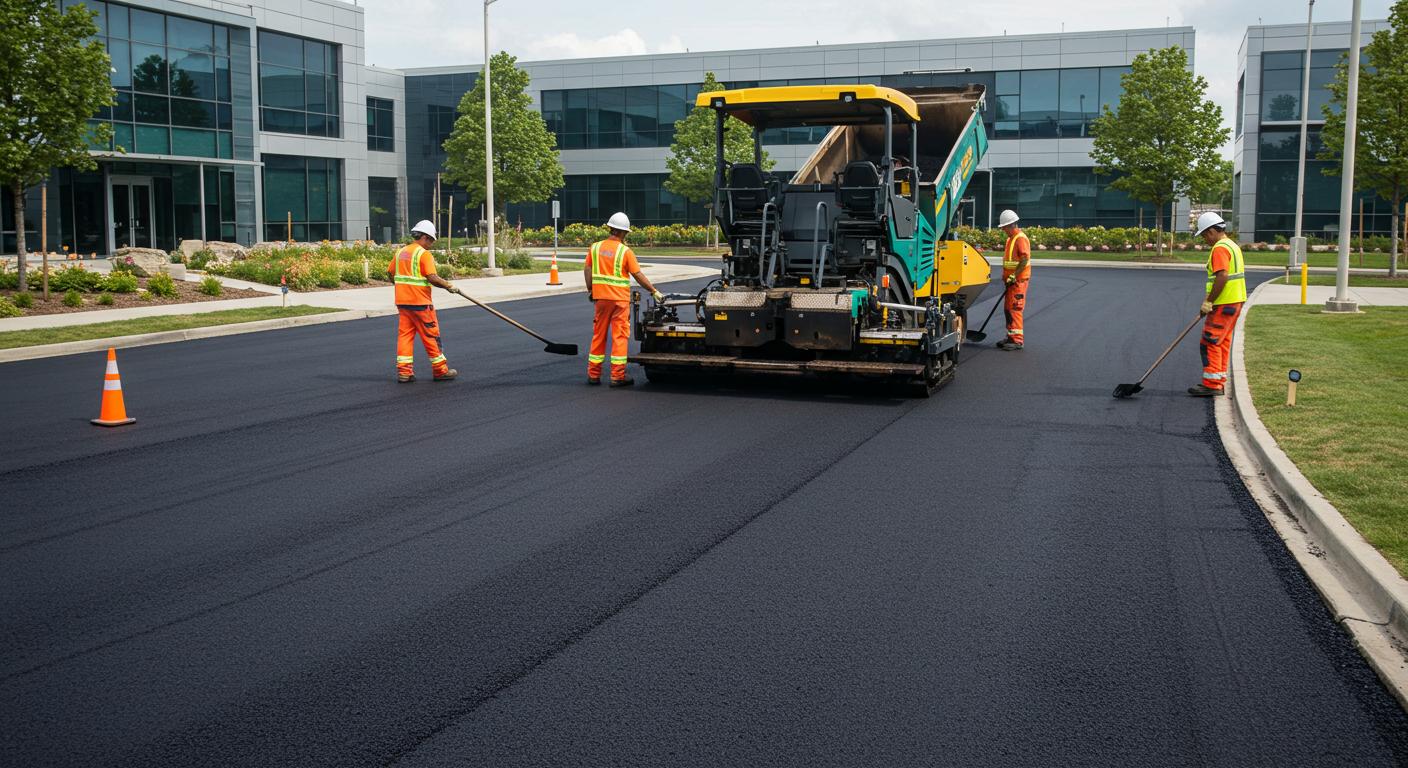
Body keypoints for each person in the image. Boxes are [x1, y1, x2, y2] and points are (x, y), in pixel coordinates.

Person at [585, 212, 664, 387]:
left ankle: (593, 374)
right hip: (619, 301)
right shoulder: (625, 252)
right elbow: (637, 274)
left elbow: (588, 270)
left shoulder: (595, 247)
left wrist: (591, 289)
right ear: (623, 233)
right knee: (619, 337)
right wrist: (653, 290)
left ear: (610, 228)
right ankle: (617, 376)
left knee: (598, 335)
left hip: (601, 299)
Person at [389, 219, 457, 383]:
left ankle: (404, 373)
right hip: (420, 303)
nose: (431, 245)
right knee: (430, 335)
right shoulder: (423, 254)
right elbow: (432, 277)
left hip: (403, 303)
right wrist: (448, 286)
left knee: (405, 336)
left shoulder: (401, 252)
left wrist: (403, 288)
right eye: (431, 240)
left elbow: (390, 274)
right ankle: (440, 370)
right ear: (425, 237)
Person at [1188, 212, 1247, 397]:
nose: (1205, 239)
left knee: (1210, 341)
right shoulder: (1232, 245)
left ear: (1213, 231)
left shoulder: (1220, 248)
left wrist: (1209, 302)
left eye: (1205, 235)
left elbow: (1222, 276)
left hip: (1224, 302)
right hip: (1234, 301)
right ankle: (1218, 380)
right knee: (1222, 341)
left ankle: (1212, 384)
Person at [996, 209, 1030, 350]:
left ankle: (1017, 340)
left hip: (1018, 281)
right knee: (1008, 309)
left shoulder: (1020, 238)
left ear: (1011, 225)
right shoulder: (1011, 239)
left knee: (1015, 308)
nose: (1003, 230)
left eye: (1004, 227)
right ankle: (1010, 336)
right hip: (1011, 282)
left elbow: (1024, 260)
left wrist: (1013, 275)